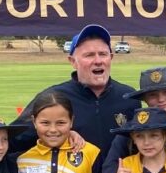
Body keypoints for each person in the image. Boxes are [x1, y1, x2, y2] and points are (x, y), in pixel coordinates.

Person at [13, 24, 137, 154]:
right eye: (89, 55)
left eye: (103, 54)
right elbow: (13, 142)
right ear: (72, 61)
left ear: (111, 58)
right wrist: (59, 133)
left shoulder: (128, 97)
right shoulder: (53, 97)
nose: (98, 61)